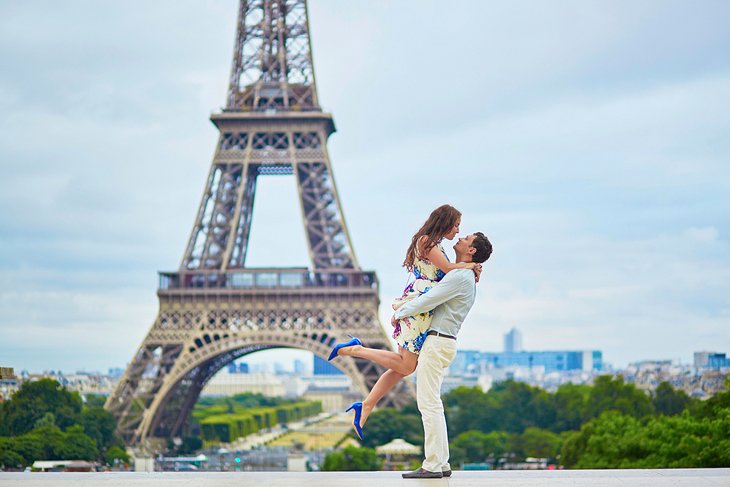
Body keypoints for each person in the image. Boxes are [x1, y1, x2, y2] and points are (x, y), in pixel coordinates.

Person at [327, 205, 481, 439]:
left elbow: (449, 274)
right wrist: (470, 265)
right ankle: (355, 350)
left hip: (423, 309)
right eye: (457, 224)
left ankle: (366, 405)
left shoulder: (434, 244)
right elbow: (449, 270)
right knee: (406, 365)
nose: (459, 230)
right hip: (418, 309)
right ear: (446, 221)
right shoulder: (426, 242)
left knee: (402, 367)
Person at [397, 231, 493, 479]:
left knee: (428, 405)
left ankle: (432, 464)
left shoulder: (460, 276)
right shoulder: (464, 274)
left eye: (466, 238)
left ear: (471, 250)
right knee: (433, 405)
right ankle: (442, 462)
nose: (460, 238)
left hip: (437, 341)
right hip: (444, 342)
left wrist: (398, 311)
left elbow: (428, 300)